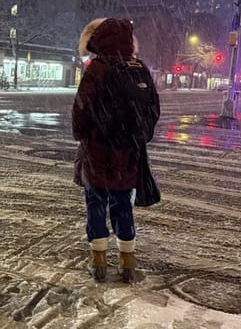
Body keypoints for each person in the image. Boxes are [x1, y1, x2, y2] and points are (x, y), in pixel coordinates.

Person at [72, 18, 160, 283]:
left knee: (96, 203)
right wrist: (137, 137)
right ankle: (127, 259)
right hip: (128, 152)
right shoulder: (139, 68)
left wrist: (83, 135)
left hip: (97, 151)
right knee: (123, 204)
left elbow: (81, 110)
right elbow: (153, 110)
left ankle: (99, 259)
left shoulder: (97, 69)